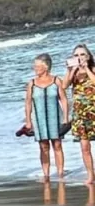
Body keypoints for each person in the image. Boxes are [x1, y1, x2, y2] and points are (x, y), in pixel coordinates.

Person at [23, 53, 69, 182]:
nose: (34, 68)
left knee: (57, 145)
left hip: (56, 117)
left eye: (37, 66)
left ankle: (60, 173)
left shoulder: (56, 81)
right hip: (39, 119)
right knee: (43, 146)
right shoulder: (31, 83)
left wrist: (65, 118)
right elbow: (27, 103)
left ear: (46, 66)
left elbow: (64, 100)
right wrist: (28, 121)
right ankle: (46, 174)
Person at [62, 44, 95, 184]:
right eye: (76, 55)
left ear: (88, 56)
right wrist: (71, 70)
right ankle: (91, 176)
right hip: (80, 114)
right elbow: (64, 86)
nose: (79, 57)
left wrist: (86, 68)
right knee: (84, 147)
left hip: (93, 112)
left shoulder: (92, 69)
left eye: (82, 54)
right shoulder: (73, 72)